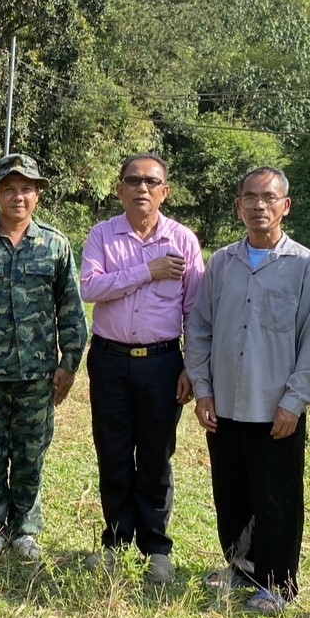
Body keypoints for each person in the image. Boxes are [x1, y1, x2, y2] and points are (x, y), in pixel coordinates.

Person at [185, 166, 310, 614]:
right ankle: (242, 566)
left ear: (285, 206)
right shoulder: (223, 263)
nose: (259, 206)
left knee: (278, 497)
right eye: (250, 197)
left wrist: (294, 401)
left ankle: (278, 583)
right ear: (238, 206)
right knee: (231, 491)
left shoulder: (305, 266)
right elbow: (201, 328)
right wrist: (203, 389)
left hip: (275, 406)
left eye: (269, 198)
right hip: (225, 401)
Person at [80, 153, 204, 582]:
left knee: (156, 454)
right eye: (133, 180)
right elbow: (90, 287)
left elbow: (196, 309)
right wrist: (146, 271)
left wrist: (193, 367)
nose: (142, 189)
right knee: (112, 452)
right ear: (120, 189)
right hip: (110, 359)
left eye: (152, 182)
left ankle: (156, 548)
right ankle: (115, 542)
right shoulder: (102, 235)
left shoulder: (183, 241)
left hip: (163, 362)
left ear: (165, 191)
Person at [0, 154, 87, 562]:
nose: (18, 196)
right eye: (9, 189)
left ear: (38, 195)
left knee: (32, 453)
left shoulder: (55, 244)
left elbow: (71, 307)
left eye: (26, 189)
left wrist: (69, 362)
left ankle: (25, 531)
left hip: (37, 373)